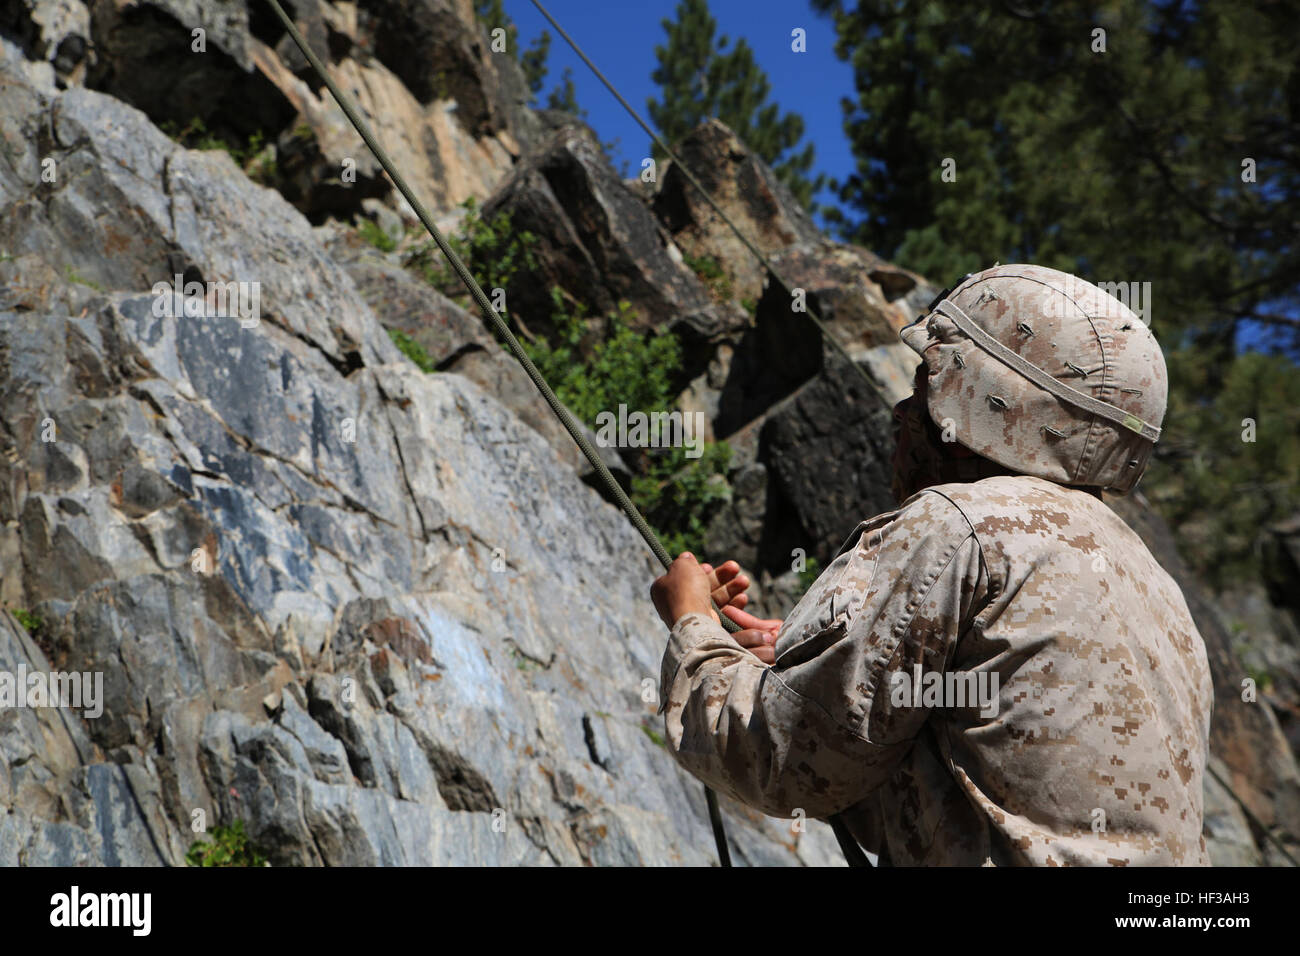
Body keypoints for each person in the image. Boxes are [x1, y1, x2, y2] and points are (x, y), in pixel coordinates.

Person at [650, 264, 1213, 866]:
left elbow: (781, 759)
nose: (902, 411)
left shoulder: (956, 526)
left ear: (971, 403)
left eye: (925, 382)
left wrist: (694, 624)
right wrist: (814, 661)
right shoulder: (1155, 586)